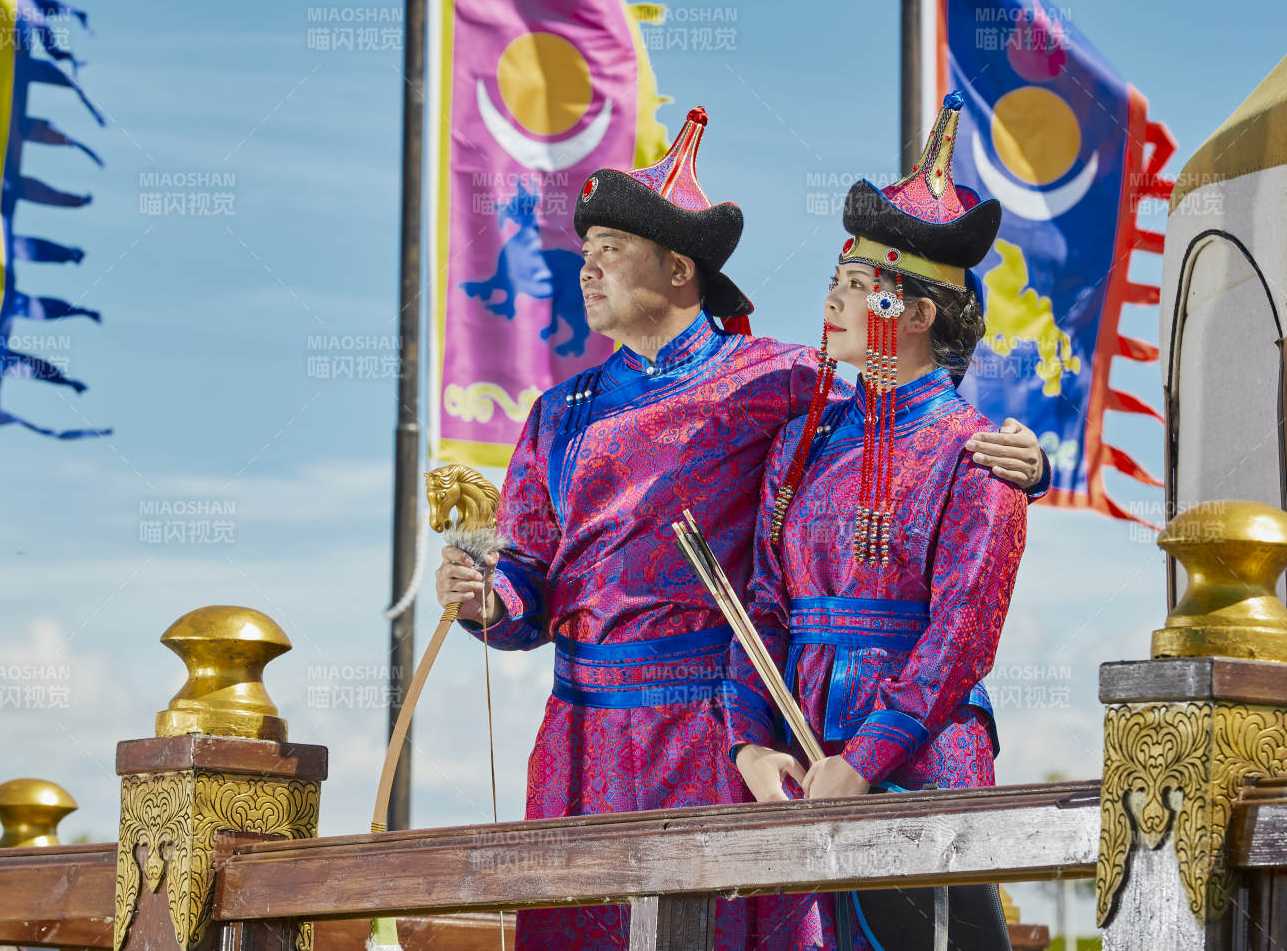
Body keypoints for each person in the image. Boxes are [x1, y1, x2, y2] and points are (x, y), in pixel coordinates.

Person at [435, 106, 1044, 951]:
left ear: (680, 268)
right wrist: (483, 599)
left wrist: (1026, 459)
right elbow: (527, 581)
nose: (589, 266)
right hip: (594, 733)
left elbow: (907, 408)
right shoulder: (557, 416)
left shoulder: (779, 382)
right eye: (588, 248)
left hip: (718, 734)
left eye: (613, 248)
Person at [729, 93, 1025, 949]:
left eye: (858, 285)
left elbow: (960, 637)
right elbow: (763, 608)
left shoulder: (980, 455)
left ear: (918, 313)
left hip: (918, 768)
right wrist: (752, 744)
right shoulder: (800, 442)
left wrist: (863, 760)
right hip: (800, 760)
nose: (834, 297)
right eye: (836, 279)